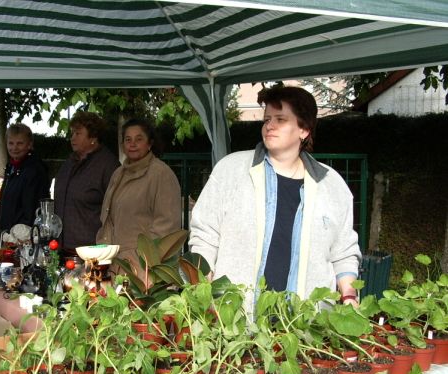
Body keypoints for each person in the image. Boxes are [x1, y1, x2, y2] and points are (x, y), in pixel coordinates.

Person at [189, 86, 361, 307]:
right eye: (267, 119)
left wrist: (349, 296)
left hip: (306, 327)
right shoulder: (230, 170)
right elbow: (205, 234)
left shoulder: (331, 185)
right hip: (234, 322)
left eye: (280, 119)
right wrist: (202, 285)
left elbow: (343, 251)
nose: (270, 125)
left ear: (304, 130)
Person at [97, 118, 181, 274]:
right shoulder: (118, 174)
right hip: (115, 266)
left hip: (144, 271)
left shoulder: (161, 174)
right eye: (128, 139)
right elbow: (108, 221)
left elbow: (166, 229)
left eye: (139, 139)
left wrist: (144, 265)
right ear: (123, 145)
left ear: (150, 144)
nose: (132, 144)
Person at [54, 112, 119, 254]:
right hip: (62, 247)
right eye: (72, 134)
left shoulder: (108, 165)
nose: (73, 138)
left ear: (93, 137)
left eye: (78, 134)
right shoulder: (69, 162)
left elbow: (117, 209)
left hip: (92, 250)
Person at [0, 123, 50, 232]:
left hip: (23, 235)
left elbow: (31, 208)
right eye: (11, 143)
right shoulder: (11, 167)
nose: (14, 148)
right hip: (9, 232)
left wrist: (20, 235)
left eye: (20, 143)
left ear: (29, 144)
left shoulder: (34, 170)